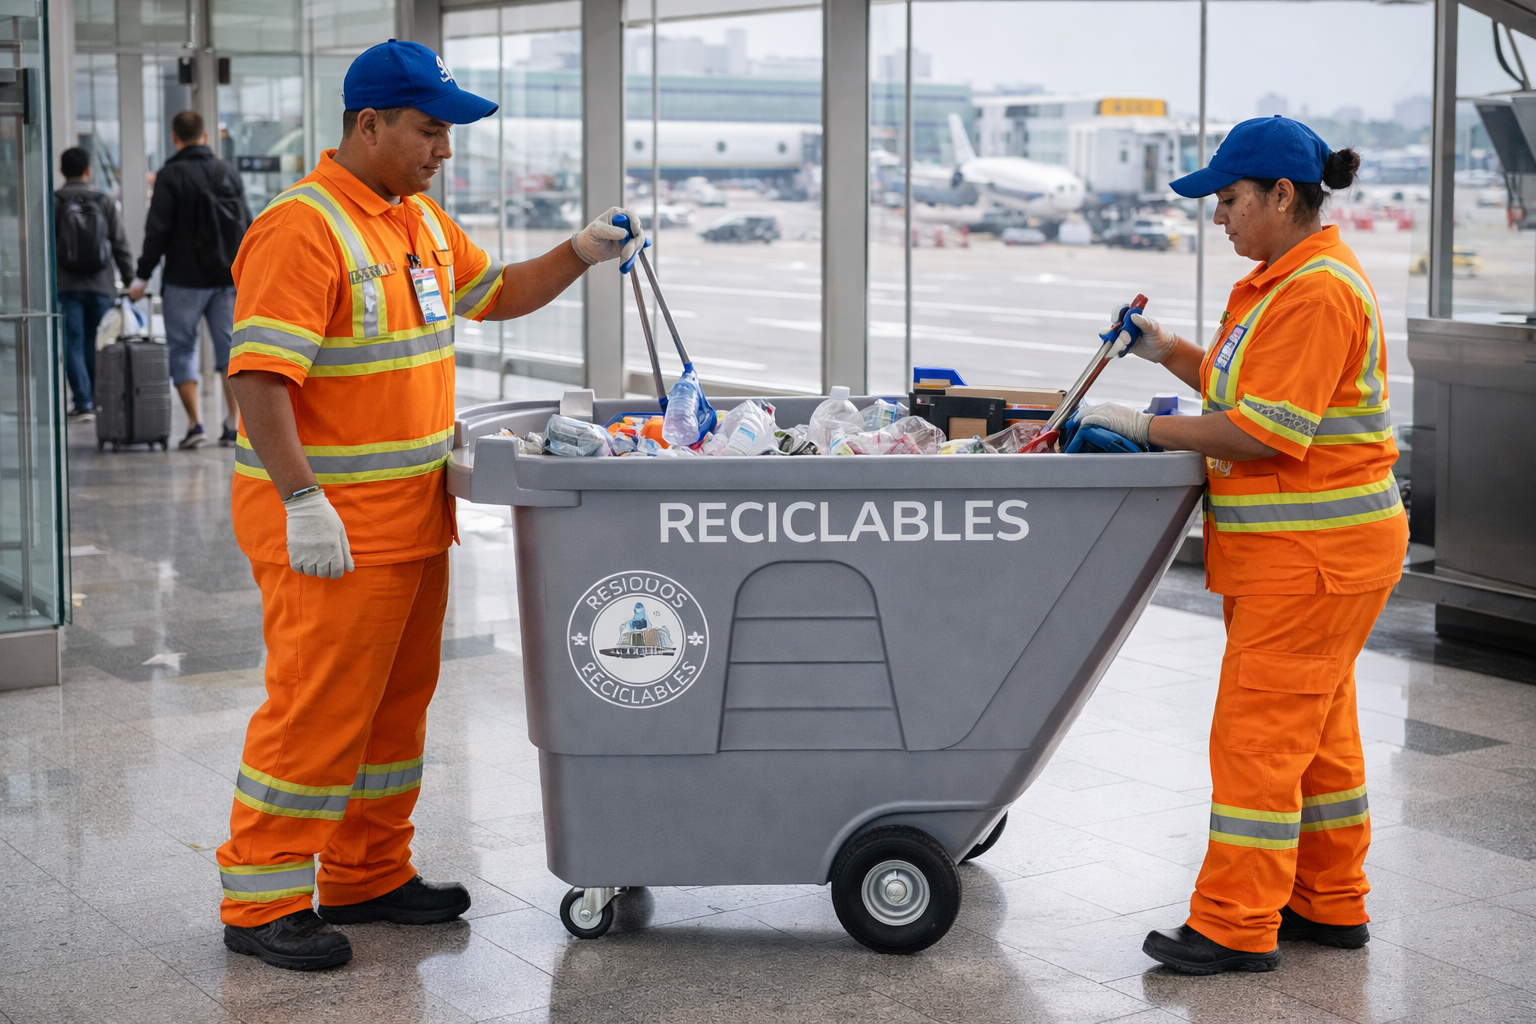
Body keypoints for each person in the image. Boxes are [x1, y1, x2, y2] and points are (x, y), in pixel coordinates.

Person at [216, 38, 644, 972]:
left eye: (445, 132)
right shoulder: (305, 228)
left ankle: (368, 872)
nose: (441, 149)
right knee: (318, 710)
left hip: (410, 522)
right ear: (367, 125)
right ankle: (262, 894)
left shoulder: (415, 223)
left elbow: (499, 293)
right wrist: (302, 500)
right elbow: (257, 378)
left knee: (394, 711)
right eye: (426, 130)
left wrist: (577, 251)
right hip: (331, 528)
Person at [1081, 116, 1407, 975]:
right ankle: (1331, 902)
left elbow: (1264, 432)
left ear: (1282, 195)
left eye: (1228, 200)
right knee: (1319, 733)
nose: (1218, 216)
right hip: (1315, 555)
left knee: (1257, 738)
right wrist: (1168, 353)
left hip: (1314, 559)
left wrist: (1143, 428)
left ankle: (1233, 924)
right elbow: (1243, 387)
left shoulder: (1314, 291)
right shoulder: (1277, 281)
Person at [128, 110, 252, 449]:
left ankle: (196, 425)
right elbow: (248, 223)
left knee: (183, 349)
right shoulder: (227, 172)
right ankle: (231, 426)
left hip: (183, 280)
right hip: (226, 279)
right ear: (206, 138)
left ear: (174, 137)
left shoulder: (170, 175)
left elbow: (158, 231)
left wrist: (142, 275)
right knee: (231, 351)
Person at [55, 146, 134, 418]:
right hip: (101, 285)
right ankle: (101, 400)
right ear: (88, 171)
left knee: (73, 343)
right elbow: (120, 244)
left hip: (65, 285)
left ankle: (83, 402)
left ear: (62, 170)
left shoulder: (53, 201)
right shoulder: (104, 201)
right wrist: (130, 280)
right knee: (98, 342)